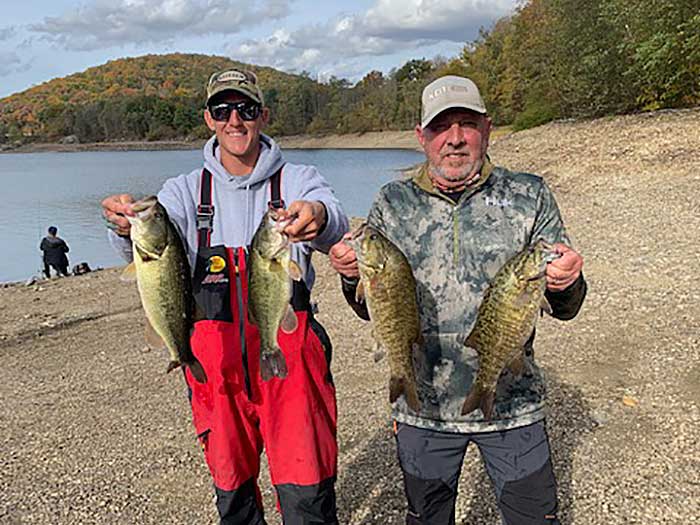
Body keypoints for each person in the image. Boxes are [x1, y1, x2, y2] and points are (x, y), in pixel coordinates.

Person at [329, 75, 586, 525]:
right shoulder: (392, 202)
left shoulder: (530, 194)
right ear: (421, 137)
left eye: (467, 124)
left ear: (487, 129)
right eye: (440, 127)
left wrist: (567, 282)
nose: (454, 138)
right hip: (422, 407)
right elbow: (373, 304)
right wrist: (352, 278)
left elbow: (565, 306)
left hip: (513, 406)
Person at [102, 68, 348, 524]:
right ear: (209, 119)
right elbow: (153, 246)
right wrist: (122, 224)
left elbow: (332, 218)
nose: (235, 119)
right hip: (216, 368)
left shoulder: (297, 177)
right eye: (223, 109)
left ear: (263, 115)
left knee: (307, 488)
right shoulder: (182, 191)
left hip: (288, 358)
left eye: (246, 109)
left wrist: (317, 215)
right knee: (233, 492)